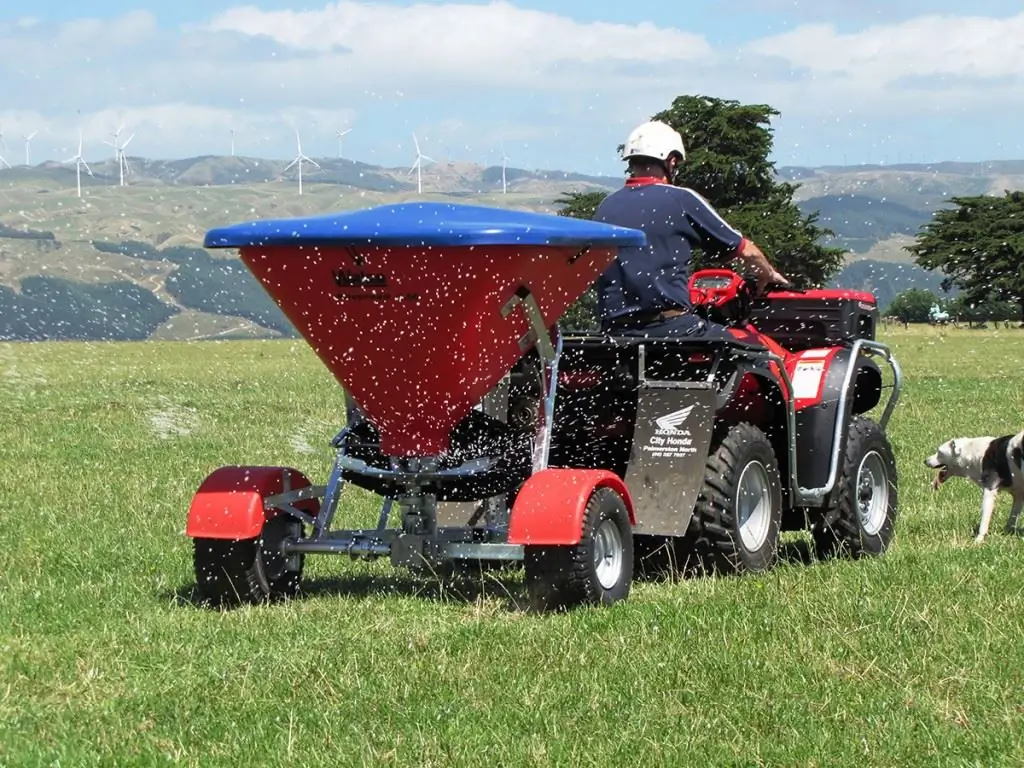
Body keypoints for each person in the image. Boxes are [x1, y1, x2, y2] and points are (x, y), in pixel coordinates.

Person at [592, 120, 788, 338]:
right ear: (672, 161)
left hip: (614, 331)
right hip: (671, 328)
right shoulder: (681, 199)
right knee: (753, 349)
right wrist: (768, 274)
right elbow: (745, 249)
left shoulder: (605, 206)